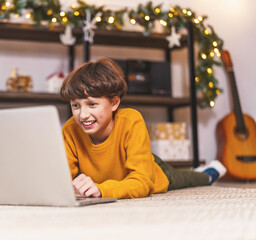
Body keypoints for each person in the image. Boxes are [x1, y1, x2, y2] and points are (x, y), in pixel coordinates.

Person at [60, 57, 226, 199]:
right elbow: (61, 176)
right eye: (76, 105)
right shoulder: (70, 129)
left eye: (92, 104)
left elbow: (142, 182)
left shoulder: (131, 121)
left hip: (154, 170)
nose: (83, 115)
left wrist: (103, 190)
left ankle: (208, 173)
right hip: (119, 177)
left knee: (188, 178)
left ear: (114, 102)